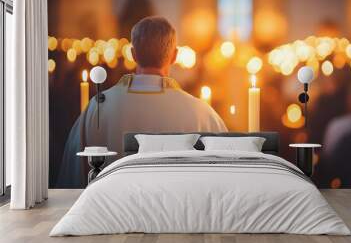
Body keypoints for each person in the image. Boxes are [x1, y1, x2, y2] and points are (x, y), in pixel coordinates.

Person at [59, 16, 227, 187]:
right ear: (175, 55)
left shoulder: (98, 107)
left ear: (133, 54)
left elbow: (72, 176)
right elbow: (221, 181)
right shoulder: (202, 114)